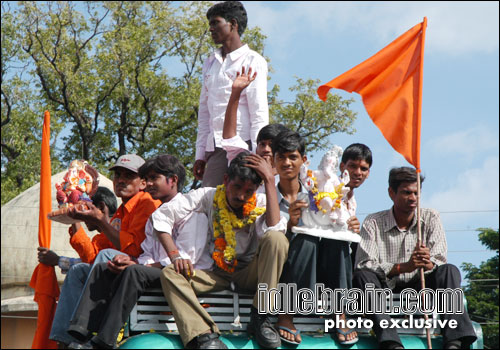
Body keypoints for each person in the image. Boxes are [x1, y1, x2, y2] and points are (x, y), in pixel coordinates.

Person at [66, 155, 211, 349]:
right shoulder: (157, 214)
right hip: (159, 272)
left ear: (173, 180)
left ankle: (103, 341)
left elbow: (184, 260)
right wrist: (131, 261)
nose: (148, 184)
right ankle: (80, 333)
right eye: (147, 179)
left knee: (135, 272)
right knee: (105, 268)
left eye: (154, 178)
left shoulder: (192, 213)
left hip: (182, 275)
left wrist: (139, 265)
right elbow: (148, 253)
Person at [159, 152, 287, 349]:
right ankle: (204, 336)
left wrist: (270, 180)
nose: (241, 196)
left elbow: (276, 230)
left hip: (250, 274)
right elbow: (162, 216)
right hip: (215, 273)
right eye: (237, 186)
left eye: (249, 191)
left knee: (277, 238)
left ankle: (262, 318)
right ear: (226, 179)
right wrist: (175, 255)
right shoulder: (207, 196)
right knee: (170, 273)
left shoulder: (261, 202)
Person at [353, 167, 477, 349]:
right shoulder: (373, 222)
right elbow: (364, 263)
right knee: (363, 275)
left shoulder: (431, 217)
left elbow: (439, 259)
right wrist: (403, 267)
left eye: (416, 193)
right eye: (406, 193)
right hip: (387, 288)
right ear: (391, 193)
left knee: (449, 270)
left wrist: (428, 263)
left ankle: (455, 340)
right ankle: (390, 342)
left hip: (422, 286)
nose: (412, 198)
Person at [48, 154, 161, 348]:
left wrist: (101, 221)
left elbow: (133, 248)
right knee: (77, 271)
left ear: (143, 182)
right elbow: (92, 255)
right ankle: (65, 340)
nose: (121, 180)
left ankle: (91, 331)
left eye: (128, 175)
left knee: (107, 256)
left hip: (141, 271)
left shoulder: (147, 203)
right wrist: (74, 217)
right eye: (118, 175)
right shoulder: (121, 211)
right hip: (118, 269)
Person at [274, 132, 363, 346]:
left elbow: (340, 221)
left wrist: (351, 226)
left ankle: (339, 313)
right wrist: (289, 226)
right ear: (273, 160)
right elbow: (264, 243)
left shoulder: (322, 190)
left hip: (321, 273)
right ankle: (286, 313)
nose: (287, 163)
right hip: (283, 271)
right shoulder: (263, 195)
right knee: (305, 240)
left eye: (293, 157)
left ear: (303, 161)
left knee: (338, 240)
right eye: (281, 157)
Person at [193, 1, 269, 187]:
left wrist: (259, 153)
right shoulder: (210, 63)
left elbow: (258, 112)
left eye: (215, 23)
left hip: (244, 145)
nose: (210, 29)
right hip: (215, 148)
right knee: (209, 204)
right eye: (210, 24)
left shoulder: (253, 60)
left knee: (243, 205)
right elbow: (205, 113)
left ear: (233, 24)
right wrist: (200, 155)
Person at [221, 66, 288, 192]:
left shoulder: (290, 176)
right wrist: (235, 93)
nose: (266, 150)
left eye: (272, 145)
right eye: (262, 144)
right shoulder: (246, 164)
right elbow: (229, 137)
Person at [38, 187, 118, 273]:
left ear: (101, 207)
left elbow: (90, 260)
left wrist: (58, 260)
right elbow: (88, 263)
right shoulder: (101, 237)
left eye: (84, 209)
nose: (82, 216)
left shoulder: (117, 231)